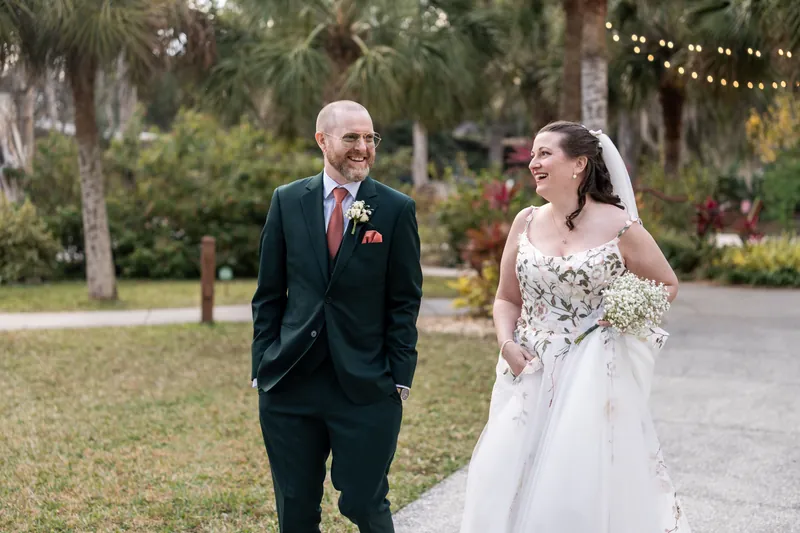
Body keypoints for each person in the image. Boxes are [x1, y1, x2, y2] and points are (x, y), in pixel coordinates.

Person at [459, 121, 692, 532]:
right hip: (529, 369)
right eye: (532, 155)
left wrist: (624, 314)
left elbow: (667, 284)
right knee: (509, 474)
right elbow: (506, 298)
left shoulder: (621, 226)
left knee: (580, 478)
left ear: (579, 164)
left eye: (544, 154)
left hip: (593, 373)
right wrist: (506, 343)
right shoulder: (525, 222)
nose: (533, 163)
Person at [251, 100, 423, 533]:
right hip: (290, 381)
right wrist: (262, 365)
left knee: (365, 503)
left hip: (367, 385)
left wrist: (399, 377)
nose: (363, 147)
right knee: (295, 508)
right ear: (322, 140)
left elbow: (405, 300)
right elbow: (268, 294)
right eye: (351, 138)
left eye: (370, 138)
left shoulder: (395, 208)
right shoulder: (288, 201)